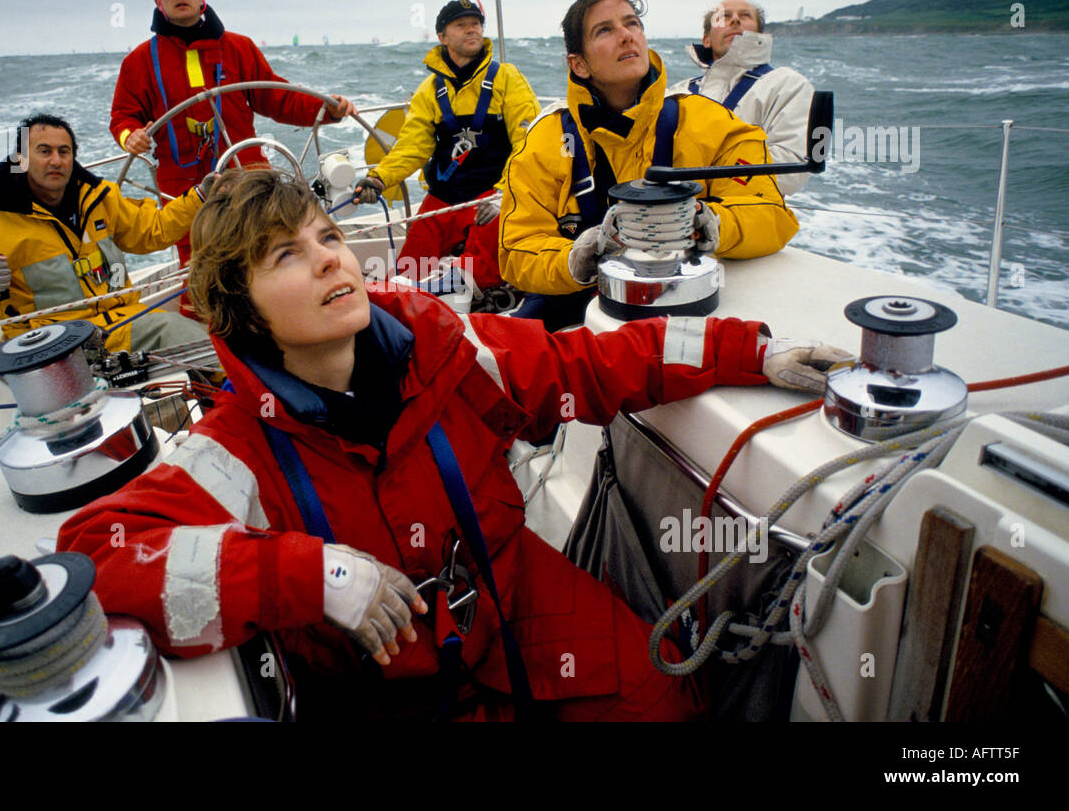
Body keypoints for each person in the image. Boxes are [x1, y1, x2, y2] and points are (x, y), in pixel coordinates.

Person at [57, 168, 847, 721]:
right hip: (382, 688)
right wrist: (310, 575)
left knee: (663, 701)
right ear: (243, 312)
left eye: (326, 234)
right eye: (286, 255)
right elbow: (94, 558)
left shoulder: (443, 345)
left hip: (516, 598)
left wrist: (749, 351)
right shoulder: (234, 450)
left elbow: (585, 361)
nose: (333, 256)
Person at [499, 0, 800, 330]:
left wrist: (712, 223)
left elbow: (772, 214)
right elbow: (516, 249)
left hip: (684, 304)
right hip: (576, 310)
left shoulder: (713, 125)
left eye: (632, 24)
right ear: (578, 64)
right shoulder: (544, 142)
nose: (627, 36)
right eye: (605, 30)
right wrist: (575, 258)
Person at [110, 0, 358, 296]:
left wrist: (327, 108)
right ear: (158, 1)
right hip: (181, 188)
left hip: (246, 172)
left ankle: (282, 313)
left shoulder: (238, 48)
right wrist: (130, 137)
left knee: (269, 250)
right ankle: (214, 334)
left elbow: (277, 98)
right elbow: (123, 116)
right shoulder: (137, 61)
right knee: (200, 271)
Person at [0, 113, 208, 354]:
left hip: (123, 323)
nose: (56, 160)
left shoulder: (100, 198)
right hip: (49, 341)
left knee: (205, 345)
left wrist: (199, 196)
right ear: (21, 160)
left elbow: (153, 232)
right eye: (44, 151)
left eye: (64, 152)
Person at [353, 0, 539, 293]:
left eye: (475, 24)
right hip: (444, 197)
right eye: (461, 25)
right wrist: (379, 178)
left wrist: (505, 194)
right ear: (442, 36)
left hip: (490, 197)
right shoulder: (429, 91)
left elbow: (527, 144)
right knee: (407, 272)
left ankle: (464, 299)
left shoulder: (508, 79)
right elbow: (412, 146)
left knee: (478, 275)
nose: (471, 31)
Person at [668, 0, 816, 195]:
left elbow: (790, 170)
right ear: (707, 39)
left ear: (759, 34)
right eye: (723, 17)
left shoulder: (788, 85)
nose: (735, 20)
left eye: (745, 16)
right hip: (675, 214)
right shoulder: (678, 92)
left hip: (747, 216)